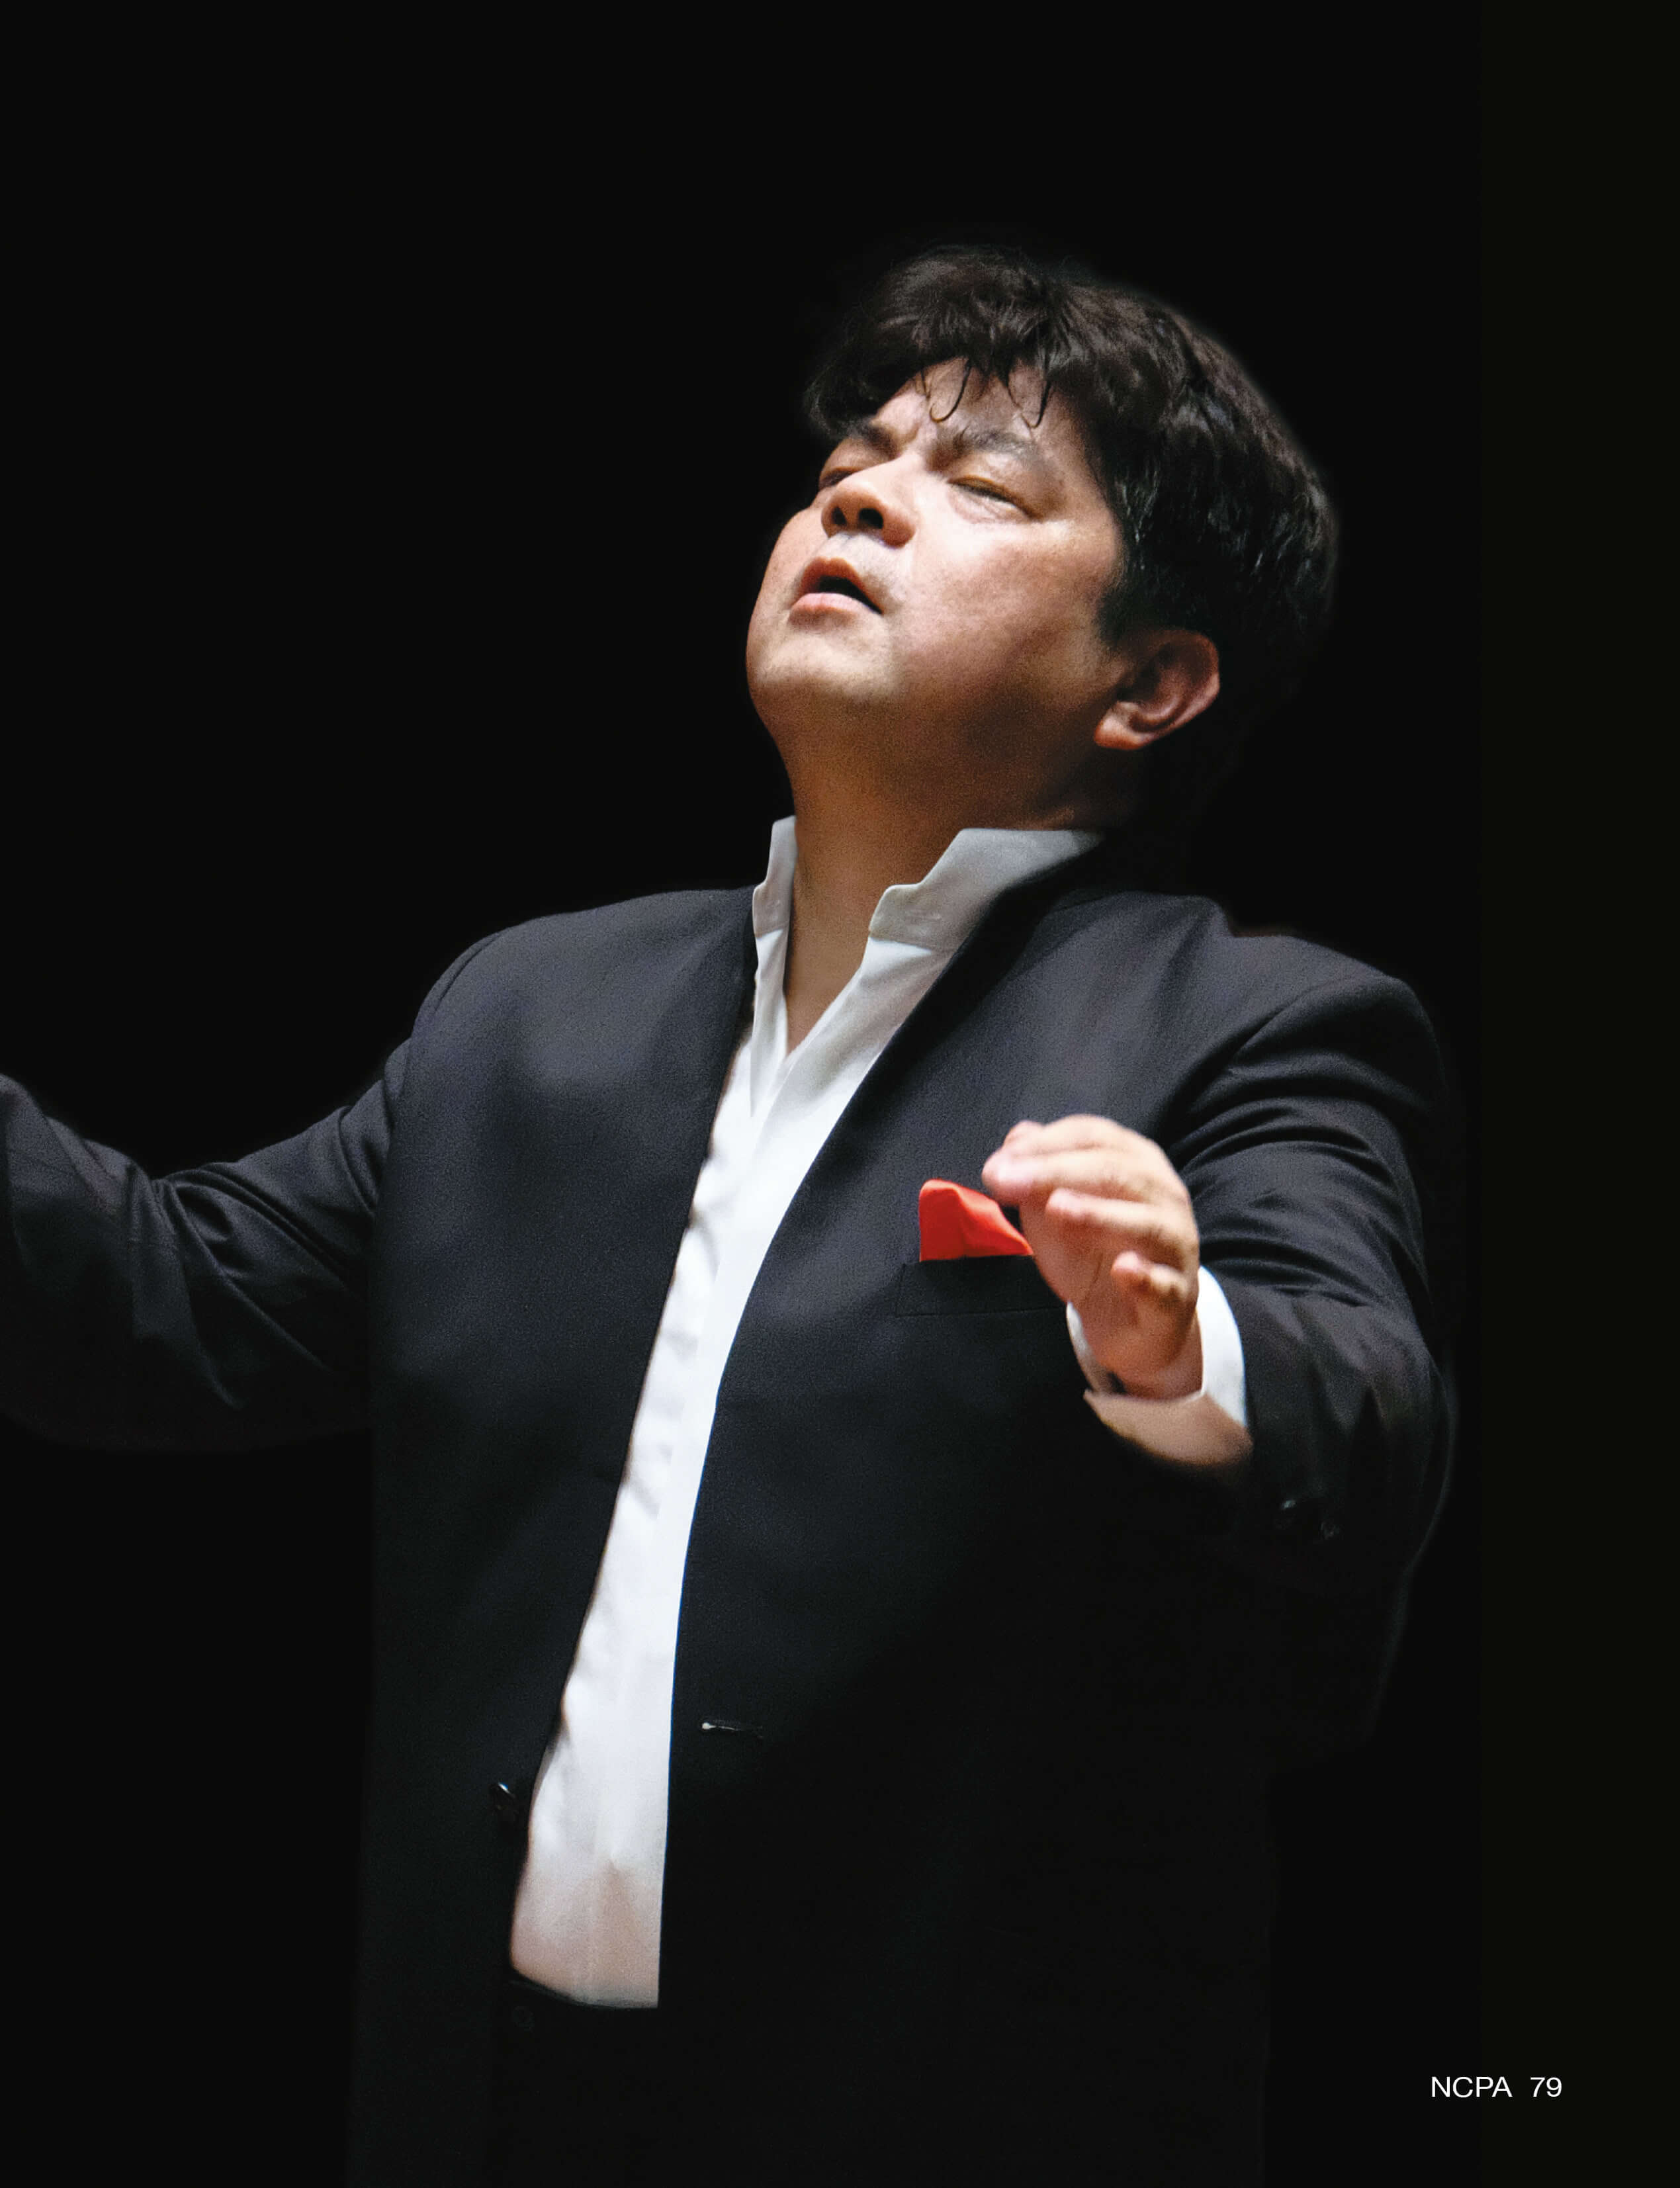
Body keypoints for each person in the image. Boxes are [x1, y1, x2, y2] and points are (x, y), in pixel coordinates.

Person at [0, 247, 1456, 2185]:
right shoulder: (528, 1010)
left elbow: (1362, 1404)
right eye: (849, 464)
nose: (862, 500)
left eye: (981, 485)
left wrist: (1173, 1339)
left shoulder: (1254, 1025)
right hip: (473, 2108)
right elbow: (161, 1310)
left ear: (1152, 682)